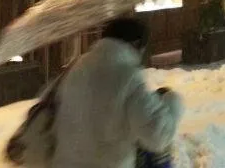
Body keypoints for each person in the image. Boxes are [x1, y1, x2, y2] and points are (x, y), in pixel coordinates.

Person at [51, 18, 183, 168]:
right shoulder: (128, 76)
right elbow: (158, 136)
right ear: (136, 44)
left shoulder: (75, 70)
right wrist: (172, 103)